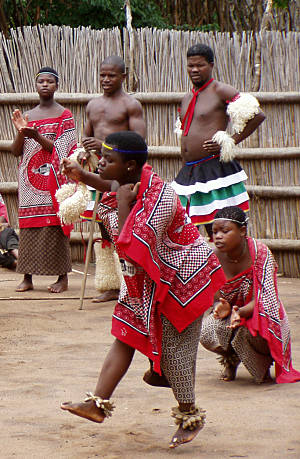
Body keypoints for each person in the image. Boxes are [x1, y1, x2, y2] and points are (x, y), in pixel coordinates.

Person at [60, 131, 226, 448]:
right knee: (124, 333)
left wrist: (122, 203)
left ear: (131, 165)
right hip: (146, 282)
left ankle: (190, 416)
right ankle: (97, 404)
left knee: (177, 355)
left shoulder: (161, 197)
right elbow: (110, 185)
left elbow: (133, 245)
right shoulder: (122, 186)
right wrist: (82, 176)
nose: (101, 163)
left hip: (183, 282)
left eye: (108, 160)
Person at [171, 44, 265, 239]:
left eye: (200, 65)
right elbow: (185, 134)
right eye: (190, 66)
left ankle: (233, 269)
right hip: (190, 171)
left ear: (211, 65)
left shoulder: (221, 90)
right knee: (188, 230)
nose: (194, 70)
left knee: (221, 230)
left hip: (214, 169)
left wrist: (230, 141)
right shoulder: (187, 97)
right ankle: (204, 269)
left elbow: (257, 115)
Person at [200, 206, 300, 384]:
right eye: (214, 232)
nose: (218, 236)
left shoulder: (260, 254)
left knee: (255, 330)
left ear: (242, 231)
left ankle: (262, 364)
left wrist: (240, 312)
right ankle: (230, 360)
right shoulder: (212, 258)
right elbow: (215, 298)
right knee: (207, 331)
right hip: (232, 315)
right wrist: (220, 308)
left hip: (261, 313)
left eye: (225, 231)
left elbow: (265, 299)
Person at [80, 56, 146, 303]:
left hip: (123, 176)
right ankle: (112, 285)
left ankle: (133, 284)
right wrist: (85, 149)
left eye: (112, 76)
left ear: (123, 77)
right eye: (102, 75)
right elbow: (87, 135)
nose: (106, 80)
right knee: (103, 229)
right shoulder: (93, 105)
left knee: (123, 225)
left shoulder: (131, 105)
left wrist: (104, 145)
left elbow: (139, 145)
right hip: (99, 171)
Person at [10, 66, 76, 293]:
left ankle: (62, 277)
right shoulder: (28, 115)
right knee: (28, 227)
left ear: (57, 85)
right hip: (29, 181)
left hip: (54, 180)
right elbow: (16, 151)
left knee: (55, 225)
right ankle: (27, 277)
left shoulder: (64, 115)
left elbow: (63, 149)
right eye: (41, 82)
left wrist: (36, 135)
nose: (45, 85)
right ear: (35, 86)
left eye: (50, 81)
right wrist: (21, 132)